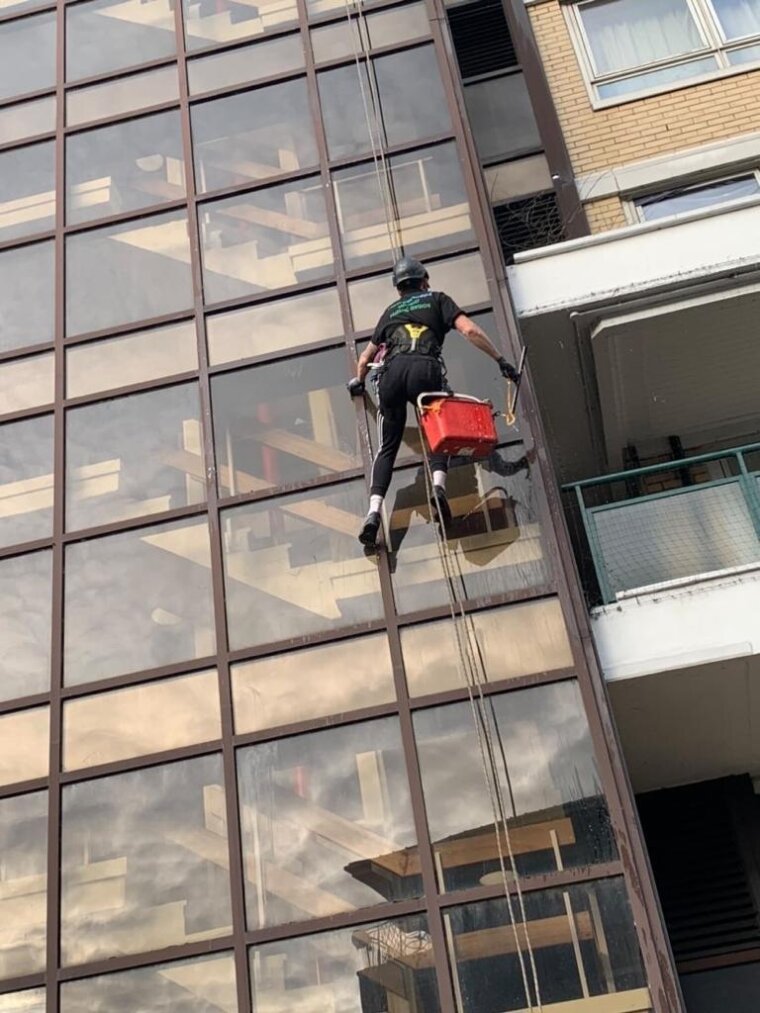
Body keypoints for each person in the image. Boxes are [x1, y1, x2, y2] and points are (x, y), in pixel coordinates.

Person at [348, 255, 519, 547]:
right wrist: (501, 360)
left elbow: (365, 358)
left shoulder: (390, 312)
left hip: (391, 372)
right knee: (440, 435)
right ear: (424, 280)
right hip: (425, 371)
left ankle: (373, 511)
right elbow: (470, 331)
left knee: (387, 447)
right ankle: (438, 488)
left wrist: (358, 383)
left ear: (399, 289)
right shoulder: (438, 299)